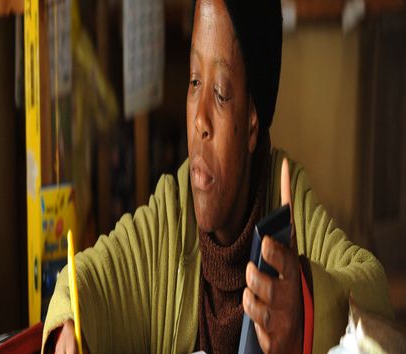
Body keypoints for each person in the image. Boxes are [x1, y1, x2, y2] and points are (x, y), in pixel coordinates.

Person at [42, 0, 394, 353]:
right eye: (194, 81)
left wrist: (305, 306)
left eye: (221, 94)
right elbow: (84, 285)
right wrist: (68, 329)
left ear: (253, 122)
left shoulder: (288, 207)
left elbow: (373, 291)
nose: (199, 120)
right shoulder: (171, 217)